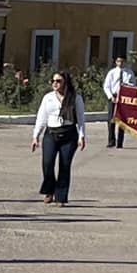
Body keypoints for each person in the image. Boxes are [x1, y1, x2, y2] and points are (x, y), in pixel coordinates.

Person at [32, 71, 87, 207]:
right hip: (51, 134)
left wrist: (82, 136)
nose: (55, 84)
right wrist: (36, 136)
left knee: (64, 166)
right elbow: (41, 118)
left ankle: (60, 197)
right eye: (53, 81)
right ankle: (49, 190)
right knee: (47, 163)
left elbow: (80, 119)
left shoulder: (75, 98)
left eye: (58, 81)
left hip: (69, 134)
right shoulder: (48, 98)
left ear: (65, 82)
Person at [103, 54, 134, 148]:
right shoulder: (112, 72)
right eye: (118, 61)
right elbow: (106, 86)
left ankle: (120, 142)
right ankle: (111, 140)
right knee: (111, 120)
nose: (120, 63)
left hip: (124, 98)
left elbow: (133, 85)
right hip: (114, 96)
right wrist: (110, 97)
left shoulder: (129, 73)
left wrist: (127, 85)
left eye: (122, 61)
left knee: (122, 121)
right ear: (116, 62)